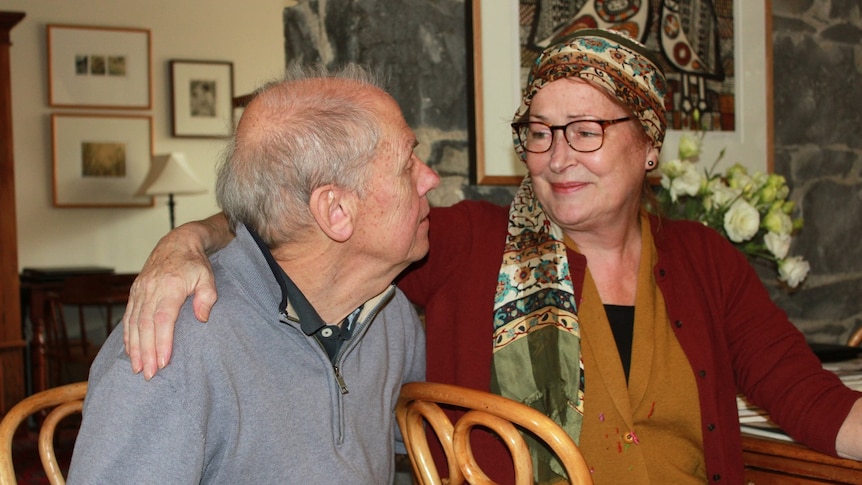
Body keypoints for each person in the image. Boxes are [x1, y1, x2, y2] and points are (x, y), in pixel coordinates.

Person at [121, 29, 862, 484]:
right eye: (538, 131)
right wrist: (182, 242)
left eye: (585, 130)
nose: (556, 155)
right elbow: (304, 210)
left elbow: (817, 404)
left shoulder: (705, 262)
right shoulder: (470, 242)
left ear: (650, 145)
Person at [67, 64, 436, 484]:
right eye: (407, 163)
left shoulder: (387, 312)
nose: (430, 178)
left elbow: (412, 445)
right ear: (336, 211)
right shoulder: (173, 346)